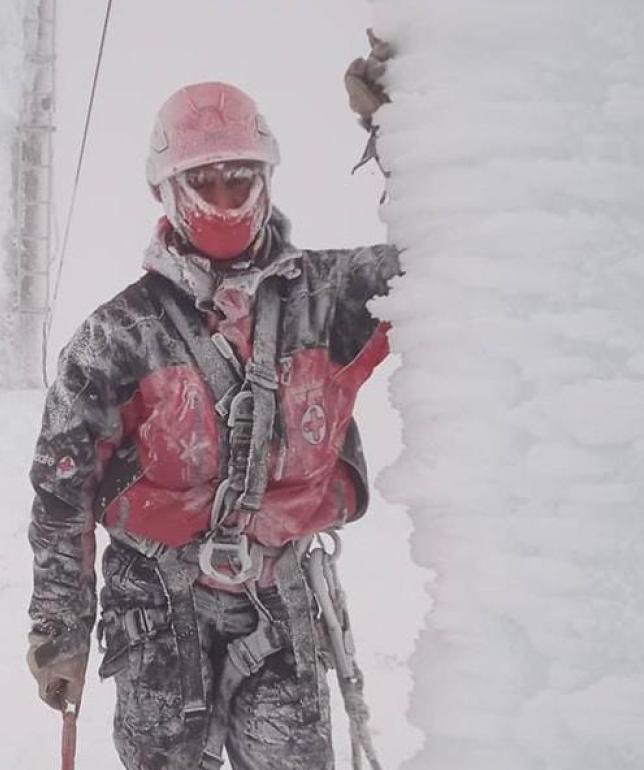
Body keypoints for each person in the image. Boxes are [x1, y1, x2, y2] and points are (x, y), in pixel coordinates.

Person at [25, 46, 399, 770]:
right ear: (167, 190)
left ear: (265, 178)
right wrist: (60, 629)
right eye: (204, 180)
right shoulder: (117, 339)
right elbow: (61, 494)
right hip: (156, 607)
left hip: (281, 597)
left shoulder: (332, 302)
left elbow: (443, 260)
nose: (224, 197)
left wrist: (403, 133)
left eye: (239, 177)